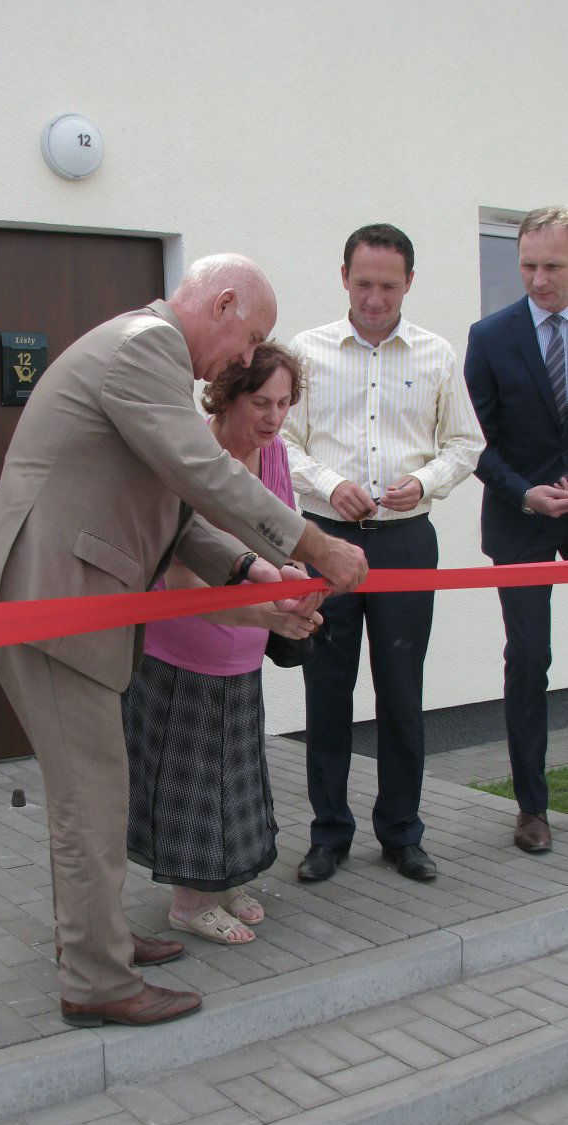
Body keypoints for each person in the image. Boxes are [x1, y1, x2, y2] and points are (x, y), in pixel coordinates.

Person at [0, 253, 368, 1028]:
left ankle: (95, 939)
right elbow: (205, 472)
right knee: (92, 800)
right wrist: (314, 544)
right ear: (220, 303)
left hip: (59, 600)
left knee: (91, 796)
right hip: (48, 603)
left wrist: (250, 569)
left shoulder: (146, 361)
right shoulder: (143, 347)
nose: (247, 358)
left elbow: (176, 511)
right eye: (250, 338)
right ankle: (97, 980)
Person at [283, 224, 483, 885]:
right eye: (363, 283)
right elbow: (280, 440)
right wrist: (327, 484)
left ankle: (402, 833)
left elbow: (465, 443)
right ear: (343, 277)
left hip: (404, 541)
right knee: (326, 689)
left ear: (410, 283)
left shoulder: (436, 354)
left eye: (388, 286)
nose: (374, 299)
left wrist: (424, 482)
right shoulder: (306, 352)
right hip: (323, 539)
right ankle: (328, 835)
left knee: (401, 690)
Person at [123, 342, 317, 945]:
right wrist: (268, 614)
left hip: (243, 646)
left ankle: (226, 882)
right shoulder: (194, 460)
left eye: (284, 403)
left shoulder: (274, 454)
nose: (274, 418)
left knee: (235, 777)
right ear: (225, 397)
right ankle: (189, 903)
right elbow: (183, 581)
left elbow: (282, 544)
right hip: (183, 650)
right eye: (261, 403)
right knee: (190, 781)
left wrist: (298, 588)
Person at [465, 206, 568, 855]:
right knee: (529, 660)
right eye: (528, 265)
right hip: (520, 519)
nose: (538, 279)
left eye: (553, 266)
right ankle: (532, 808)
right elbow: (474, 440)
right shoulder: (491, 336)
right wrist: (524, 493)